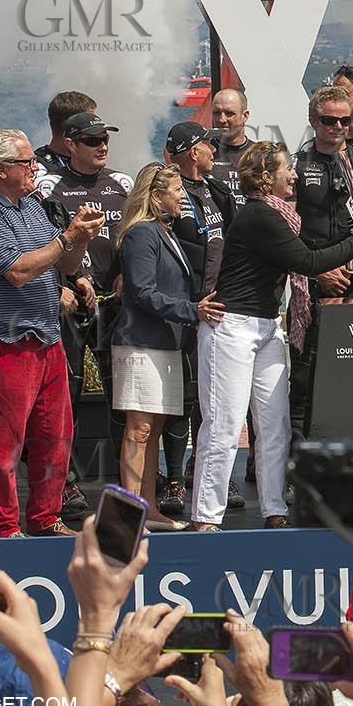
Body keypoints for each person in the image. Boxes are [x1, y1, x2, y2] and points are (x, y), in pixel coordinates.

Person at [190, 142, 353, 530]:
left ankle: (274, 509)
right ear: (266, 177)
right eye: (287, 170)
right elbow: (307, 262)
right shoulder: (260, 215)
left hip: (266, 327)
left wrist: (350, 247)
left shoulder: (280, 216)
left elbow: (305, 254)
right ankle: (206, 517)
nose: (295, 176)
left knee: (275, 424)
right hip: (230, 328)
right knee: (225, 425)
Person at [0, 129, 101, 537]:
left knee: (55, 436)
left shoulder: (32, 206)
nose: (35, 166)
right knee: (5, 441)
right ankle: (4, 526)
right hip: (4, 342)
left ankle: (45, 516)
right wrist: (68, 238)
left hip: (44, 337)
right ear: (2, 170)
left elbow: (65, 267)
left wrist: (78, 239)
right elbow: (18, 271)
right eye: (26, 162)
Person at [111, 162, 223, 531]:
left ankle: (147, 508)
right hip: (141, 344)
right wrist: (193, 310)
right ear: (156, 195)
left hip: (165, 344)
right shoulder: (142, 233)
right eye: (176, 191)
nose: (182, 198)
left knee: (154, 430)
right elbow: (142, 292)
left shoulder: (164, 231)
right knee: (138, 430)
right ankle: (129, 516)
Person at [46, 111, 135, 522]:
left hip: (114, 303)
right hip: (69, 302)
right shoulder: (50, 187)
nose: (102, 146)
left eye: (105, 139)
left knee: (122, 395)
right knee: (68, 395)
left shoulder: (122, 183)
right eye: (92, 140)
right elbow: (39, 243)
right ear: (70, 144)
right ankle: (62, 485)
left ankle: (125, 486)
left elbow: (138, 237)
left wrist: (127, 278)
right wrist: (60, 283)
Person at [163, 121, 240, 518]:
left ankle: (208, 471)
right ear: (194, 151)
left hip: (214, 308)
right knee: (183, 395)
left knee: (210, 396)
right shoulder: (169, 192)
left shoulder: (215, 190)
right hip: (181, 308)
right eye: (209, 145)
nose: (215, 150)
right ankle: (174, 478)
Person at [291, 85, 353, 442]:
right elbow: (287, 229)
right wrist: (318, 270)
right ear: (313, 121)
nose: (338, 127)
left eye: (345, 120)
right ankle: (300, 455)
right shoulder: (297, 164)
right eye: (329, 121)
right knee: (308, 375)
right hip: (314, 277)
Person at [209, 88, 252, 201]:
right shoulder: (201, 155)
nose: (222, 120)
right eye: (216, 113)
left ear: (245, 116)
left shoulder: (260, 155)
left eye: (229, 114)